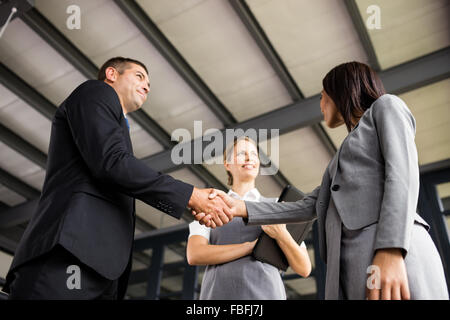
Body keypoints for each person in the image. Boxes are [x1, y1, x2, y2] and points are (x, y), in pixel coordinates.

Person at [195, 62, 449, 300]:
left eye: (322, 95)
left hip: (390, 252)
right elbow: (305, 207)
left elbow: (403, 175)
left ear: (341, 91)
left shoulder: (386, 107)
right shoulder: (337, 161)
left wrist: (392, 250)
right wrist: (239, 208)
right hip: (353, 266)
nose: (321, 104)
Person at [2, 57, 232, 300]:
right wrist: (191, 195)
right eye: (139, 76)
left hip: (102, 271)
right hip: (69, 255)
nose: (147, 86)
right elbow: (112, 163)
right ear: (112, 74)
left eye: (149, 83)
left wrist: (190, 200)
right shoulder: (96, 92)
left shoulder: (118, 125)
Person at [187, 137, 311, 299]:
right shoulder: (210, 204)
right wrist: (251, 247)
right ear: (227, 164)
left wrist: (281, 234)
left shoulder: (278, 206)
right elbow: (195, 254)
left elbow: (304, 268)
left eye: (254, 154)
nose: (249, 158)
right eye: (241, 153)